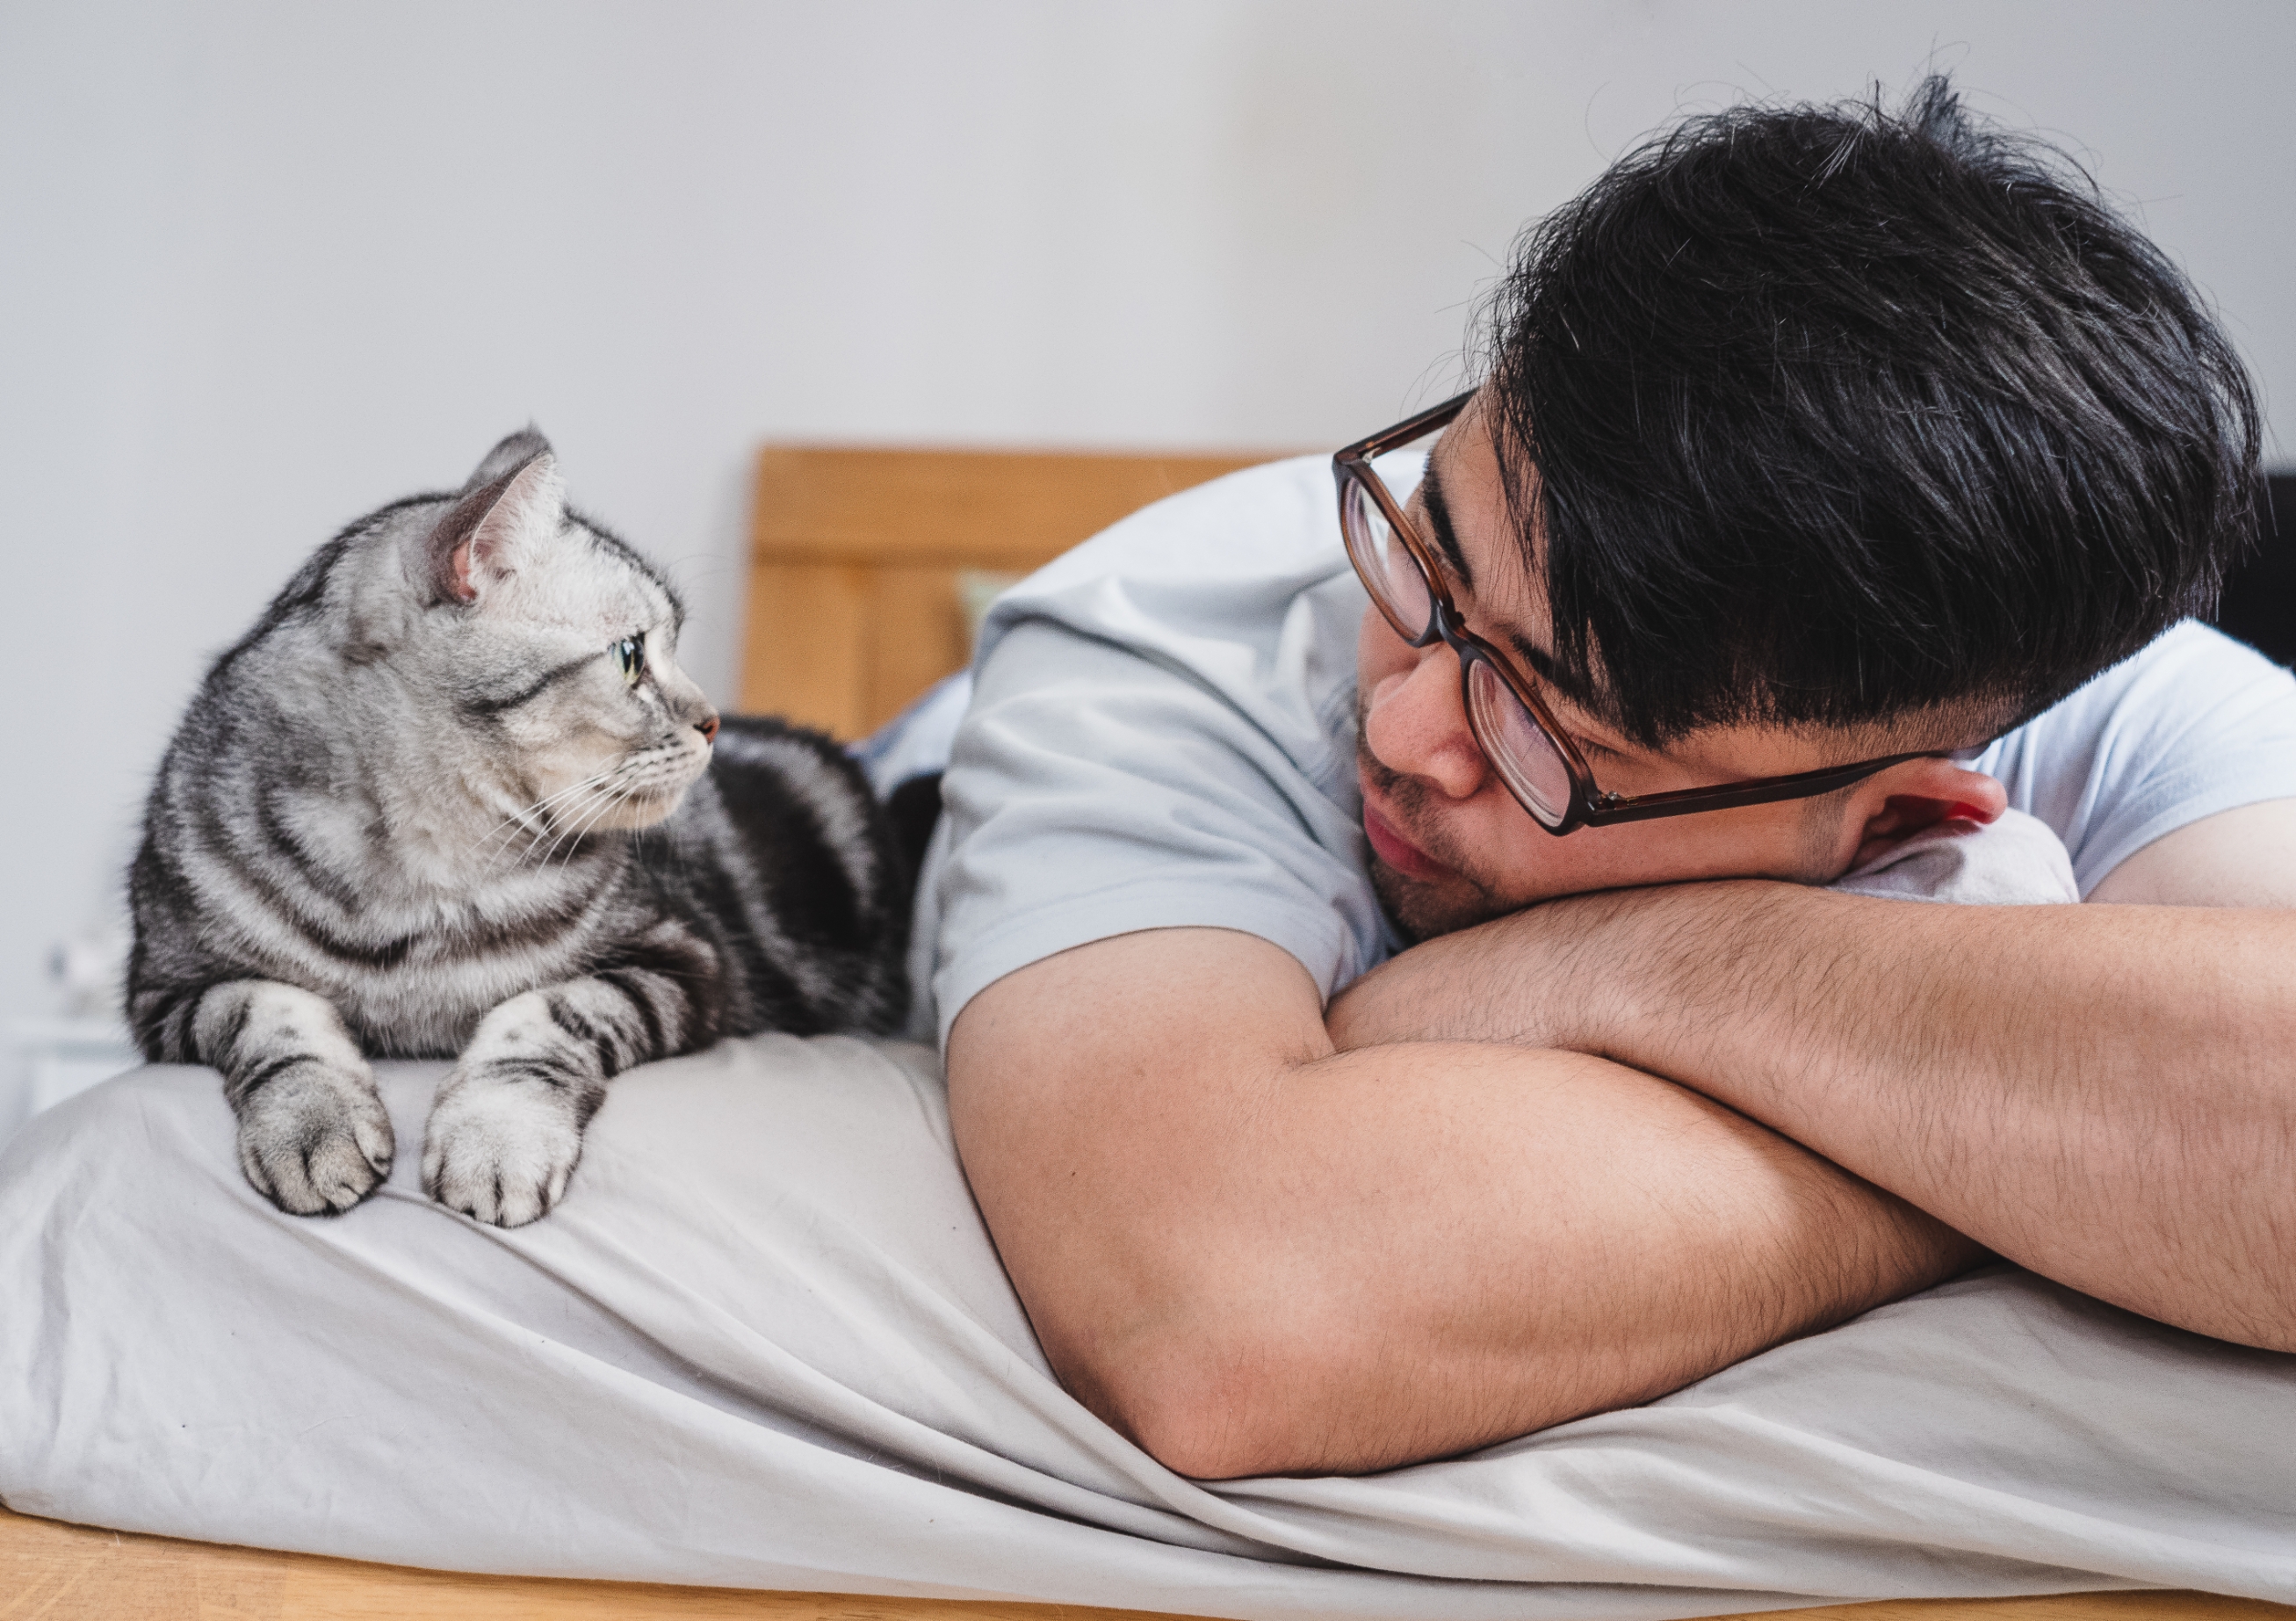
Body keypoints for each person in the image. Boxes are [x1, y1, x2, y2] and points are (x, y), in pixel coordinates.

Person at [913, 79, 2296, 1481]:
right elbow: (1224, 1314)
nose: (1403, 734)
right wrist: (2035, 1133)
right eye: (1433, 556)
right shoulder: (1149, 638)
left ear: (1902, 816)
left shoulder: (2100, 691)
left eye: (1549, 736)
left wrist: (1627, 970)